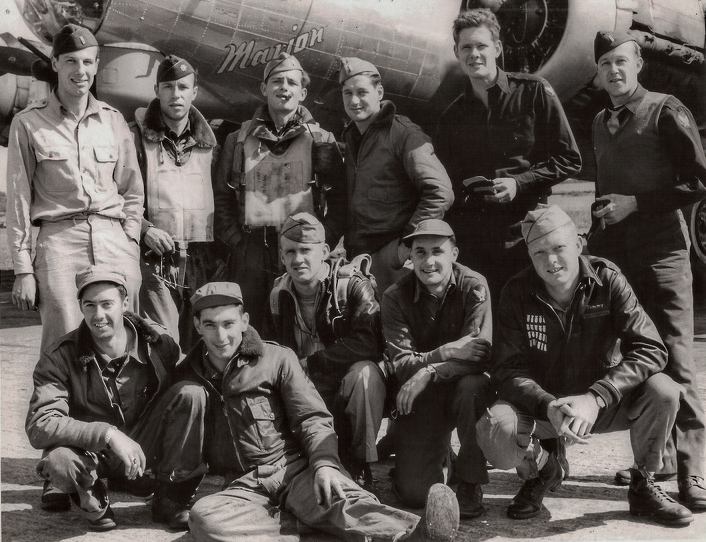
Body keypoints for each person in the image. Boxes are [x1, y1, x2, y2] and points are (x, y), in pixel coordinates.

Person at [178, 281, 460, 542]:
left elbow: (311, 417)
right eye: (210, 325)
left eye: (228, 323)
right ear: (197, 326)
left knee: (342, 501)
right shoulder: (189, 373)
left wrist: (324, 463)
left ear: (244, 322)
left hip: (293, 468)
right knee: (204, 520)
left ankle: (414, 534)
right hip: (243, 485)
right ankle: (312, 528)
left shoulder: (278, 359)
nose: (221, 335)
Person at [476, 205, 692, 526]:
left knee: (664, 391)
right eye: (539, 252)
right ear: (529, 255)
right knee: (495, 429)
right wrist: (547, 404)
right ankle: (544, 467)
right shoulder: (516, 292)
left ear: (579, 244)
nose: (551, 261)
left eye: (559, 248)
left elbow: (651, 349)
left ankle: (643, 482)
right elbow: (507, 370)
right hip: (545, 408)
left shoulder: (608, 281)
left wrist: (596, 397)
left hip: (602, 404)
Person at [588, 31, 706, 509]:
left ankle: (693, 470)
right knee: (633, 358)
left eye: (621, 62)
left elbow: (697, 180)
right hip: (616, 259)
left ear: (638, 65)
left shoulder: (665, 109)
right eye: (604, 65)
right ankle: (652, 463)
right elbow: (604, 190)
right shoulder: (599, 121)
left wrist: (636, 203)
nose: (613, 71)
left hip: (661, 255)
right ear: (597, 74)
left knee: (676, 358)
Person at [25, 266, 208, 532]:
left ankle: (170, 496)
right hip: (93, 451)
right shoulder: (59, 356)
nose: (98, 315)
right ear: (81, 307)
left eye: (107, 304)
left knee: (192, 394)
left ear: (125, 303)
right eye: (90, 305)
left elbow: (185, 394)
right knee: (59, 463)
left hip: (145, 445)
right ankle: (93, 499)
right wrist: (108, 434)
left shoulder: (158, 342)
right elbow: (40, 424)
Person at [6, 24, 143, 352]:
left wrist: (132, 240)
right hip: (59, 244)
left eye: (86, 62)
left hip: (115, 243)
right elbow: (19, 200)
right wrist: (23, 269)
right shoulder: (28, 123)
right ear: (55, 64)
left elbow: (132, 190)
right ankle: (56, 405)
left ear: (96, 66)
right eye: (70, 61)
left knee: (123, 345)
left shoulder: (113, 121)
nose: (79, 71)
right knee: (64, 346)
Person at [434, 8, 581, 302]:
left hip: (528, 235)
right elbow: (448, 181)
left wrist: (520, 183)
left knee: (533, 322)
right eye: (466, 47)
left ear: (498, 48)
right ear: (456, 52)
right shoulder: (452, 115)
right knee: (486, 326)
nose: (474, 54)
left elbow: (570, 159)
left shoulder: (534, 91)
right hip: (477, 241)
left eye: (481, 46)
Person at [213, 52, 344, 330]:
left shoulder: (322, 140)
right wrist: (237, 242)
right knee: (248, 326)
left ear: (303, 92)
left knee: (300, 326)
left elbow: (341, 199)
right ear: (264, 88)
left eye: (291, 83)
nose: (284, 87)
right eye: (276, 81)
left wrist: (323, 241)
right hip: (251, 252)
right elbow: (222, 197)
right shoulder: (238, 140)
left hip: (303, 250)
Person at [264, 212, 386, 491]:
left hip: (345, 384)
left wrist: (312, 363)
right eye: (290, 252)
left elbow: (370, 343)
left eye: (306, 250)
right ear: (281, 257)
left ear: (324, 252)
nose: (297, 259)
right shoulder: (277, 294)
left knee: (365, 374)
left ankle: (359, 462)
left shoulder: (351, 284)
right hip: (305, 389)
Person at [380, 218, 493, 517]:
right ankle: (437, 456)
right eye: (420, 252)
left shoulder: (474, 287)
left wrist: (430, 370)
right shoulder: (394, 297)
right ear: (410, 257)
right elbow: (402, 363)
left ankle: (469, 481)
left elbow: (478, 356)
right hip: (421, 397)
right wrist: (446, 351)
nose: (429, 261)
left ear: (454, 255)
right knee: (415, 495)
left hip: (458, 387)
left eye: (437, 251)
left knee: (475, 386)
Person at [330, 57, 454, 296]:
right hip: (360, 260)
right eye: (347, 93)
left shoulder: (403, 134)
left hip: (393, 263)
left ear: (379, 92)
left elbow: (440, 192)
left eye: (362, 92)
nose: (354, 101)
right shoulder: (352, 136)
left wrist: (407, 245)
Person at [132, 54, 224, 349]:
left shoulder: (210, 145)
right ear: (157, 90)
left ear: (194, 92)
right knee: (163, 346)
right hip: (156, 264)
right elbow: (119, 196)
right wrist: (145, 229)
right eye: (168, 87)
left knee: (203, 347)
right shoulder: (135, 138)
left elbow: (222, 201)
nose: (176, 94)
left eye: (183, 87)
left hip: (202, 263)